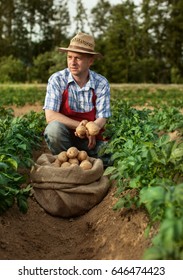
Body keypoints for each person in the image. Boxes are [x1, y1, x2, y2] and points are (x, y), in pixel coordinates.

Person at [43, 32, 111, 166]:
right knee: (53, 130)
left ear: (90, 61)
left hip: (91, 140)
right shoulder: (57, 80)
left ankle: (86, 163)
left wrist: (93, 129)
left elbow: (103, 116)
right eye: (69, 57)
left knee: (112, 155)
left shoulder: (101, 83)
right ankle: (67, 162)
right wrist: (82, 127)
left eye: (78, 58)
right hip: (66, 139)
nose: (72, 62)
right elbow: (50, 116)